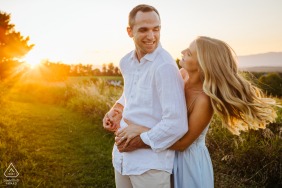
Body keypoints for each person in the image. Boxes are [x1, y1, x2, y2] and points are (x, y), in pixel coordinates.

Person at [115, 36, 278, 188]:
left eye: (189, 53)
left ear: (202, 64)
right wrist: (118, 108)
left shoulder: (204, 101)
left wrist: (143, 131)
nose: (182, 53)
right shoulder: (182, 74)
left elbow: (183, 144)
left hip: (188, 162)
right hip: (165, 153)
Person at [102, 4, 188, 188]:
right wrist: (116, 110)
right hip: (122, 159)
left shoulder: (164, 66)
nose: (151, 36)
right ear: (129, 31)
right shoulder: (126, 61)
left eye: (156, 29)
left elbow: (177, 123)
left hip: (151, 166)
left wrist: (138, 142)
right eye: (143, 30)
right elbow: (130, 94)